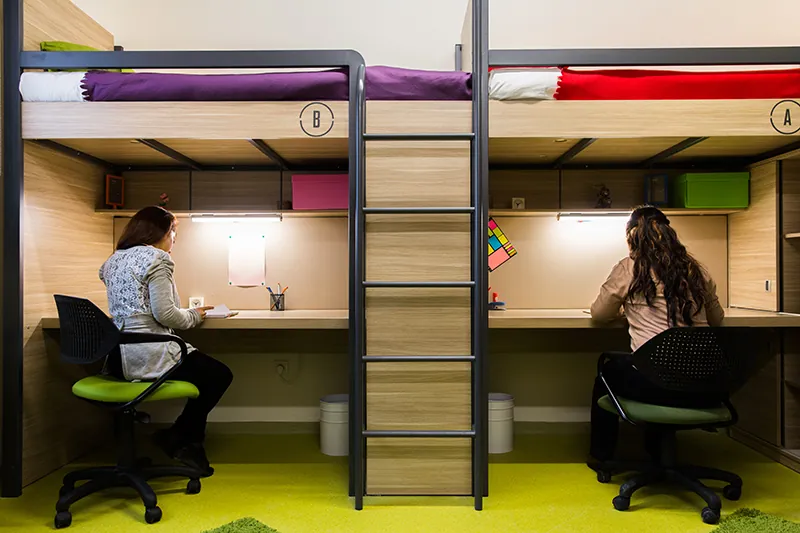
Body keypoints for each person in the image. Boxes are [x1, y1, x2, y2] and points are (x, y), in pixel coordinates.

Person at [99, 205, 233, 475]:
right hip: (148, 352)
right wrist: (194, 315)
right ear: (160, 232)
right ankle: (183, 439)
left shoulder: (113, 261)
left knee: (209, 373)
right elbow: (167, 315)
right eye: (173, 232)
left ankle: (181, 437)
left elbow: (138, 306)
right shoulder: (158, 259)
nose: (174, 240)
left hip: (116, 356)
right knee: (218, 375)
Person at [588, 205, 725, 462]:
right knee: (653, 368)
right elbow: (717, 320)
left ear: (632, 237)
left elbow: (599, 314)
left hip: (654, 383)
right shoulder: (697, 271)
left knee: (608, 373)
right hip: (704, 383)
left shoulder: (630, 268)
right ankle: (657, 454)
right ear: (670, 234)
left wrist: (629, 310)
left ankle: (602, 456)